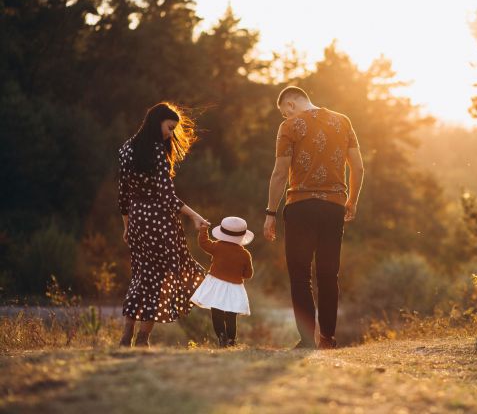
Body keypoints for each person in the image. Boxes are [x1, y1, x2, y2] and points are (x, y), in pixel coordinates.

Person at [264, 86, 364, 349]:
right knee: (329, 274)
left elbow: (279, 173)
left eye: (284, 111)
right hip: (334, 207)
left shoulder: (289, 127)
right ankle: (328, 339)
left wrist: (270, 213)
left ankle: (307, 340)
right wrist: (351, 200)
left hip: (301, 206)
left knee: (300, 275)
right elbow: (358, 166)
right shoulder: (343, 121)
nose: (284, 116)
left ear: (290, 104)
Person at [118, 102, 209, 347]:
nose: (170, 133)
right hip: (159, 222)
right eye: (169, 127)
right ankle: (143, 338)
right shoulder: (157, 151)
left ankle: (127, 334)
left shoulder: (126, 148)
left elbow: (123, 195)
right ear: (156, 121)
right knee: (160, 279)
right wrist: (194, 215)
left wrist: (127, 226)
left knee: (140, 276)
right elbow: (167, 197)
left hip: (137, 220)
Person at [191, 217, 254, 347]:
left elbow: (203, 243)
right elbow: (248, 274)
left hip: (216, 285)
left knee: (217, 313)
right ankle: (232, 340)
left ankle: (221, 337)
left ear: (222, 232)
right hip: (235, 288)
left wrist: (203, 230)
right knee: (231, 316)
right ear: (242, 236)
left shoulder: (218, 246)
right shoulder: (245, 254)